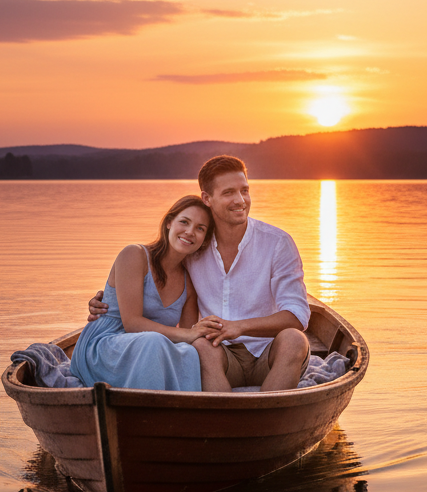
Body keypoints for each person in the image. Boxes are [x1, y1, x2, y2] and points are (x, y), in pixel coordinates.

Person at [88, 156, 311, 393]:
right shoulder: (194, 248)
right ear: (207, 198)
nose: (240, 200)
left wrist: (239, 327)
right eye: (228, 193)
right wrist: (108, 300)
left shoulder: (277, 243)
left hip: (268, 353)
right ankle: (223, 420)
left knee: (295, 340)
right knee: (201, 346)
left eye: (244, 190)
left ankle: (268, 420)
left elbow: (298, 316)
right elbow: (155, 278)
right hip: (219, 355)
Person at [70, 195, 231, 392]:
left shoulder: (190, 282)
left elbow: (187, 337)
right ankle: (148, 411)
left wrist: (199, 333)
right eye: (184, 222)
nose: (190, 232)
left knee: (190, 352)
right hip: (104, 344)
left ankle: (184, 413)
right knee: (153, 342)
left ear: (205, 239)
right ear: (169, 223)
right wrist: (189, 333)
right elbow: (132, 323)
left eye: (200, 228)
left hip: (150, 348)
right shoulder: (134, 255)